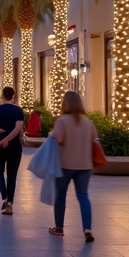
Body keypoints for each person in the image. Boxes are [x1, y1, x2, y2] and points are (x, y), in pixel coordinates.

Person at [49, 91, 96, 242]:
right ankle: (87, 229)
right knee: (83, 196)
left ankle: (59, 228)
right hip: (85, 165)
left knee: (60, 195)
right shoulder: (87, 122)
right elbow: (94, 138)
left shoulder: (62, 121)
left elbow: (60, 138)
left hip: (65, 165)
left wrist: (52, 134)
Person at [0, 86, 25, 215]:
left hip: (0, 146)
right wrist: (8, 139)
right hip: (15, 147)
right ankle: (10, 204)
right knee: (12, 175)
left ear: (2, 95)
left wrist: (1, 136)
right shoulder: (18, 111)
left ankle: (4, 195)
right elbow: (18, 128)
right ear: (13, 96)